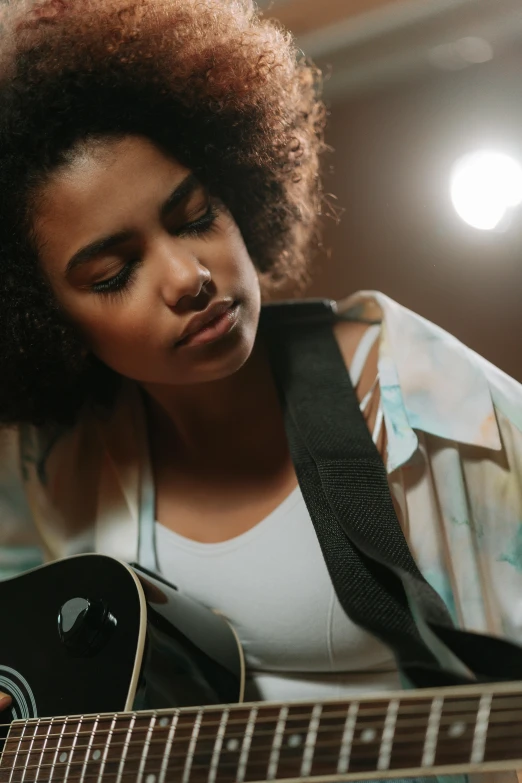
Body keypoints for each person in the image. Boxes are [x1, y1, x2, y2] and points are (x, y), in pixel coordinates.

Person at [0, 0, 522, 779]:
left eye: (196, 214)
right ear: (43, 321)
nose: (189, 276)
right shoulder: (55, 457)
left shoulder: (421, 398)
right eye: (113, 274)